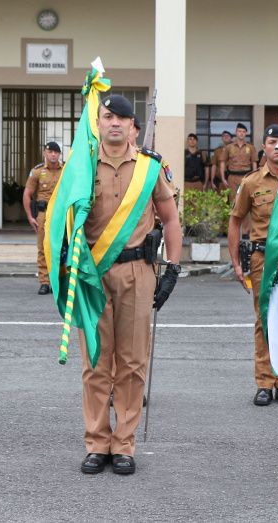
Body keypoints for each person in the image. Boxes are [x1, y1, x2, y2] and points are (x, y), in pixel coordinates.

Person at [77, 95, 181, 476]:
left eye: (122, 117)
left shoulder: (150, 168)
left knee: (133, 362)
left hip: (138, 270)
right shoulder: (81, 166)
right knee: (95, 362)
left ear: (133, 126)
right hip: (92, 273)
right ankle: (96, 443)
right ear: (99, 123)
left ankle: (124, 444)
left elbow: (170, 219)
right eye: (108, 116)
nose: (115, 123)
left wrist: (172, 268)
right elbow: (63, 219)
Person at [228, 124, 278, 407]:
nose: (277, 147)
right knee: (264, 318)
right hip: (262, 258)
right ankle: (265, 383)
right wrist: (236, 262)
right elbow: (236, 220)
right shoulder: (252, 182)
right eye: (271, 142)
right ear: (263, 148)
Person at [23, 141, 64, 295]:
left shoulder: (66, 170)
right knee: (43, 248)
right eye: (50, 152)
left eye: (56, 152)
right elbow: (27, 194)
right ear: (45, 154)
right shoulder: (38, 171)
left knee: (61, 248)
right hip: (44, 214)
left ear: (59, 154)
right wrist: (29, 216)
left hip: (61, 214)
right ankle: (45, 282)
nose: (53, 154)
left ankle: (59, 281)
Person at [220, 123, 258, 204]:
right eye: (240, 131)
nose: (241, 133)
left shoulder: (250, 147)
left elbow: (254, 163)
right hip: (232, 177)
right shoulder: (229, 147)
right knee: (233, 201)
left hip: (245, 177)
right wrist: (223, 178)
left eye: (244, 132)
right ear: (236, 133)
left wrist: (254, 177)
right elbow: (222, 162)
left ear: (246, 134)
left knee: (245, 201)